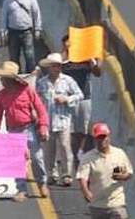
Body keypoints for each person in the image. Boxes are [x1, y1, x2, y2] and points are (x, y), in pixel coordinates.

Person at [0, 60, 50, 200]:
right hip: (13, 130)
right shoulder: (2, 94)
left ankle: (42, 183)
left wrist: (43, 126)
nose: (1, 80)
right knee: (17, 162)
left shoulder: (27, 90)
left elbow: (41, 109)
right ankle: (21, 190)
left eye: (3, 78)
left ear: (11, 79)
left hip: (29, 127)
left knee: (37, 158)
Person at [36, 52, 84, 187]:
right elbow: (37, 99)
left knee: (64, 147)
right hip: (47, 121)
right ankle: (51, 174)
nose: (56, 69)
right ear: (49, 67)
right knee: (48, 149)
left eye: (58, 66)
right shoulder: (42, 83)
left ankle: (67, 174)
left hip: (63, 120)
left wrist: (67, 99)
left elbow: (79, 95)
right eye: (53, 66)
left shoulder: (68, 81)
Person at [62, 34, 102, 166]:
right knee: (73, 131)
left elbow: (97, 73)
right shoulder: (63, 60)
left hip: (85, 97)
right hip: (69, 99)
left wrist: (92, 61)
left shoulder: (85, 59)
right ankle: (75, 156)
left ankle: (81, 152)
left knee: (84, 130)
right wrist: (65, 55)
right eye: (66, 44)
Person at [77, 123, 133, 219]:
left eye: (104, 137)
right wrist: (86, 192)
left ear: (108, 137)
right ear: (95, 139)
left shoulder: (118, 154)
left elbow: (128, 173)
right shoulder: (88, 157)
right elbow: (82, 177)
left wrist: (122, 176)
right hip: (97, 205)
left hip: (117, 203)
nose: (102, 140)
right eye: (99, 137)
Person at [0, 0, 42, 72]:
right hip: (13, 32)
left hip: (27, 32)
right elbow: (4, 17)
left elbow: (36, 14)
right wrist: (3, 32)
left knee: (30, 56)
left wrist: (37, 29)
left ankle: (30, 76)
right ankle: (17, 76)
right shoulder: (8, 1)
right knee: (14, 57)